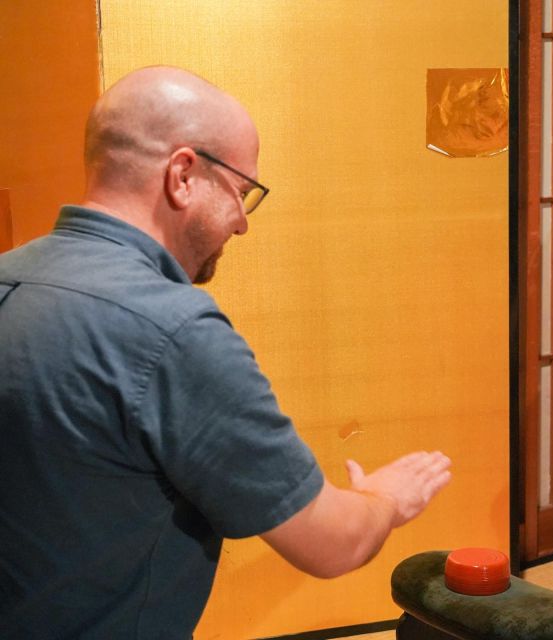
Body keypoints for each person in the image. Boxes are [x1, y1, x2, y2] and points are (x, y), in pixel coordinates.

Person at [0, 66, 451, 638]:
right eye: (241, 191)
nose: (241, 222)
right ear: (183, 174)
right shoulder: (171, 330)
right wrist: (383, 498)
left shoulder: (9, 276)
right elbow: (331, 543)